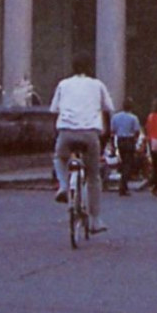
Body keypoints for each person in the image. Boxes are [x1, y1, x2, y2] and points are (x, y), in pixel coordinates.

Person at [50, 54, 115, 235]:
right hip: (90, 133)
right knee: (93, 175)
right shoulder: (97, 85)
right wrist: (106, 132)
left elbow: (54, 109)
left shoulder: (63, 84)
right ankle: (95, 220)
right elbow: (109, 108)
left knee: (59, 158)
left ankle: (63, 186)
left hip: (66, 131)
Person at [110, 98, 142, 196]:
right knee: (128, 163)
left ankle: (124, 185)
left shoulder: (115, 117)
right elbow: (137, 131)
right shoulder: (133, 118)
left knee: (124, 162)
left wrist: (113, 144)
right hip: (129, 140)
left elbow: (112, 131)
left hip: (120, 140)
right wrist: (135, 140)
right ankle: (123, 186)